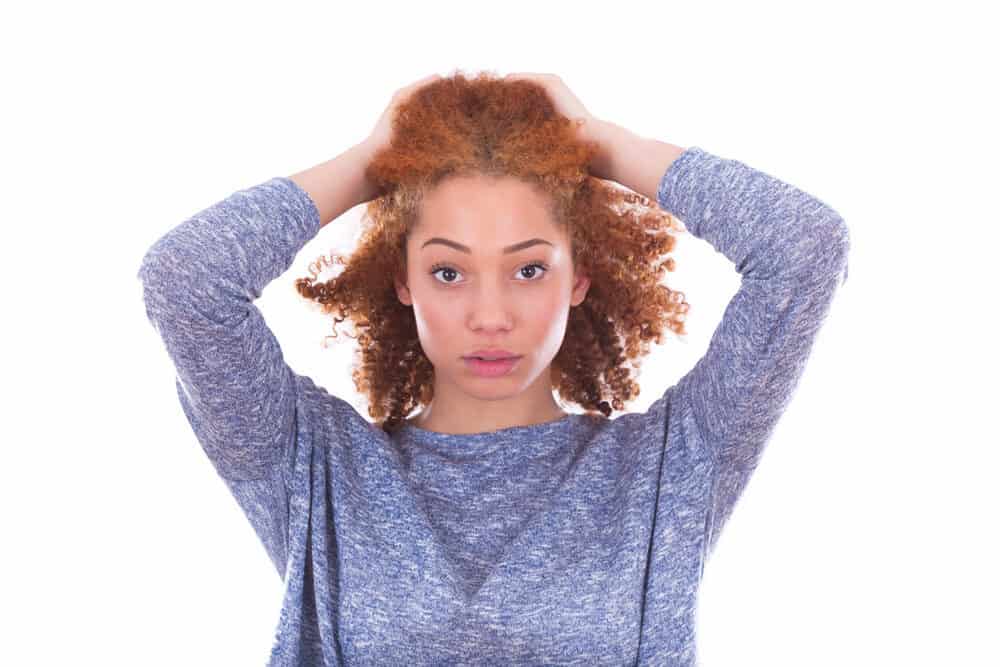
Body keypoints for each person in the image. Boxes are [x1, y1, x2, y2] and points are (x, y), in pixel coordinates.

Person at [137, 71, 850, 665]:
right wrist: (369, 164)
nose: (490, 314)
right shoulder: (316, 465)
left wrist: (607, 146)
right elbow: (185, 282)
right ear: (402, 279)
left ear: (580, 276)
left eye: (529, 267)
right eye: (448, 270)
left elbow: (806, 249)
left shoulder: (672, 463)